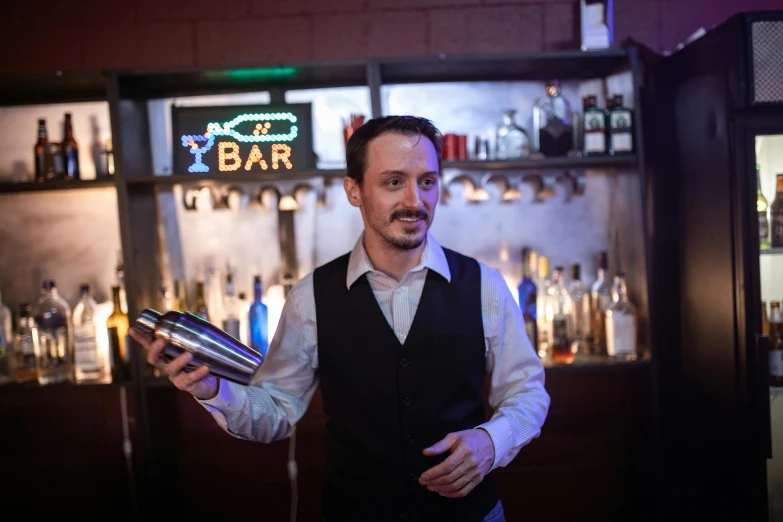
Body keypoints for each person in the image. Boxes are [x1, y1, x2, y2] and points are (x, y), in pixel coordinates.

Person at [130, 115, 550, 522]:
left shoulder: (484, 286)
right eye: (393, 182)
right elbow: (275, 413)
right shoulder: (310, 297)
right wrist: (213, 390)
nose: (414, 201)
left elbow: (528, 394)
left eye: (427, 182)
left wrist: (491, 441)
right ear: (354, 190)